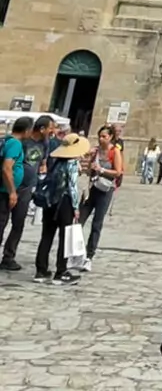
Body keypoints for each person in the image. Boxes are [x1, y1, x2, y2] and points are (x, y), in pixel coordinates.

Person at [1, 114, 56, 271]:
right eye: (51, 127)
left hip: (27, 189)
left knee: (18, 223)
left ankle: (8, 256)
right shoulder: (21, 141)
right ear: (42, 128)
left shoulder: (45, 143)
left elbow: (42, 162)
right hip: (11, 187)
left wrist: (42, 172)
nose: (53, 131)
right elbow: (9, 164)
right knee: (2, 221)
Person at [35, 132, 88, 285]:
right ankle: (61, 272)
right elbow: (72, 187)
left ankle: (41, 270)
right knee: (65, 237)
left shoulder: (56, 161)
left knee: (46, 236)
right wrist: (76, 207)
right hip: (64, 203)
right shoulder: (71, 163)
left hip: (50, 201)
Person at [77, 124, 123, 272]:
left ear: (110, 137)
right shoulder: (95, 151)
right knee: (78, 221)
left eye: (104, 136)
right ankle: (76, 252)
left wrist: (101, 169)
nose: (101, 139)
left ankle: (89, 256)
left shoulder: (114, 152)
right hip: (91, 188)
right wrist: (89, 161)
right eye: (100, 136)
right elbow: (88, 169)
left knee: (97, 223)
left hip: (105, 190)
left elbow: (118, 172)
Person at [0, 116, 32, 266]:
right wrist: (12, 191)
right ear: (26, 130)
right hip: (4, 191)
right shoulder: (15, 144)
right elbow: (7, 168)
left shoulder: (6, 140)